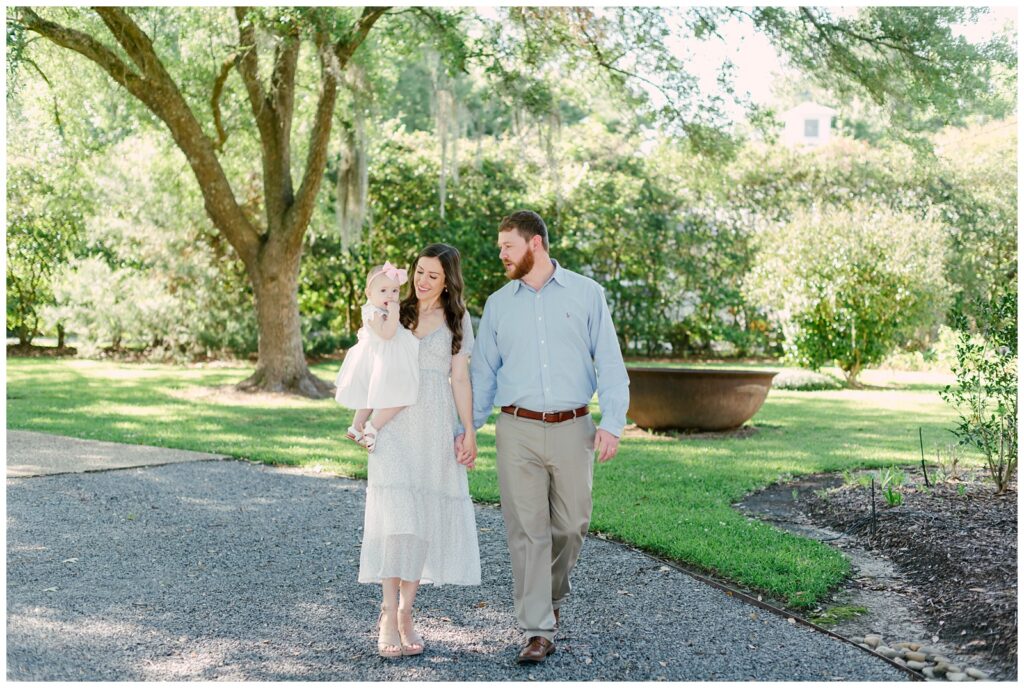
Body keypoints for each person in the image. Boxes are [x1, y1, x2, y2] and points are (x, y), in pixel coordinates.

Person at [463, 210, 629, 664]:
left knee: (572, 525)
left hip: (574, 428)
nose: (501, 254)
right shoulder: (499, 304)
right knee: (526, 532)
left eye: (507, 246)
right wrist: (468, 430)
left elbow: (610, 364)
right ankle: (537, 628)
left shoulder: (587, 293)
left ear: (535, 244)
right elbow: (483, 375)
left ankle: (551, 595)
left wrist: (612, 422)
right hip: (516, 428)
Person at [358, 243, 481, 659]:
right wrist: (365, 419)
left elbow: (459, 379)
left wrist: (468, 431)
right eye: (419, 272)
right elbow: (374, 365)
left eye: (432, 275)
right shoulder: (397, 310)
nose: (422, 281)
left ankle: (408, 612)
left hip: (433, 424)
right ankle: (387, 613)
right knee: (397, 519)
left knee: (423, 519)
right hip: (395, 426)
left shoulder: (458, 319)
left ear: (448, 281)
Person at [334, 262, 421, 452]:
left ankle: (356, 427)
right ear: (369, 294)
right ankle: (372, 426)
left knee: (371, 396)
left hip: (386, 357)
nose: (390, 296)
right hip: (383, 360)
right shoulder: (372, 312)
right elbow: (388, 334)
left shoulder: (382, 310)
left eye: (395, 291)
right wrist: (394, 313)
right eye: (383, 290)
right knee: (403, 393)